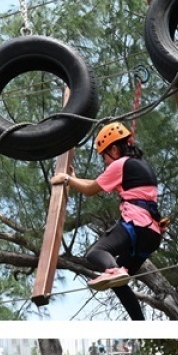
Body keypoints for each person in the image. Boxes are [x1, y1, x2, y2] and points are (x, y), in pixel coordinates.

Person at [49, 121, 163, 320]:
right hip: (152, 234)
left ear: (114, 148)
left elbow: (91, 190)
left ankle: (113, 269)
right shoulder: (140, 165)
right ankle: (139, 322)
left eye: (104, 156)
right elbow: (93, 183)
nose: (105, 162)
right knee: (118, 283)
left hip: (136, 224)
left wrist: (66, 179)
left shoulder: (120, 164)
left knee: (97, 252)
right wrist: (74, 178)